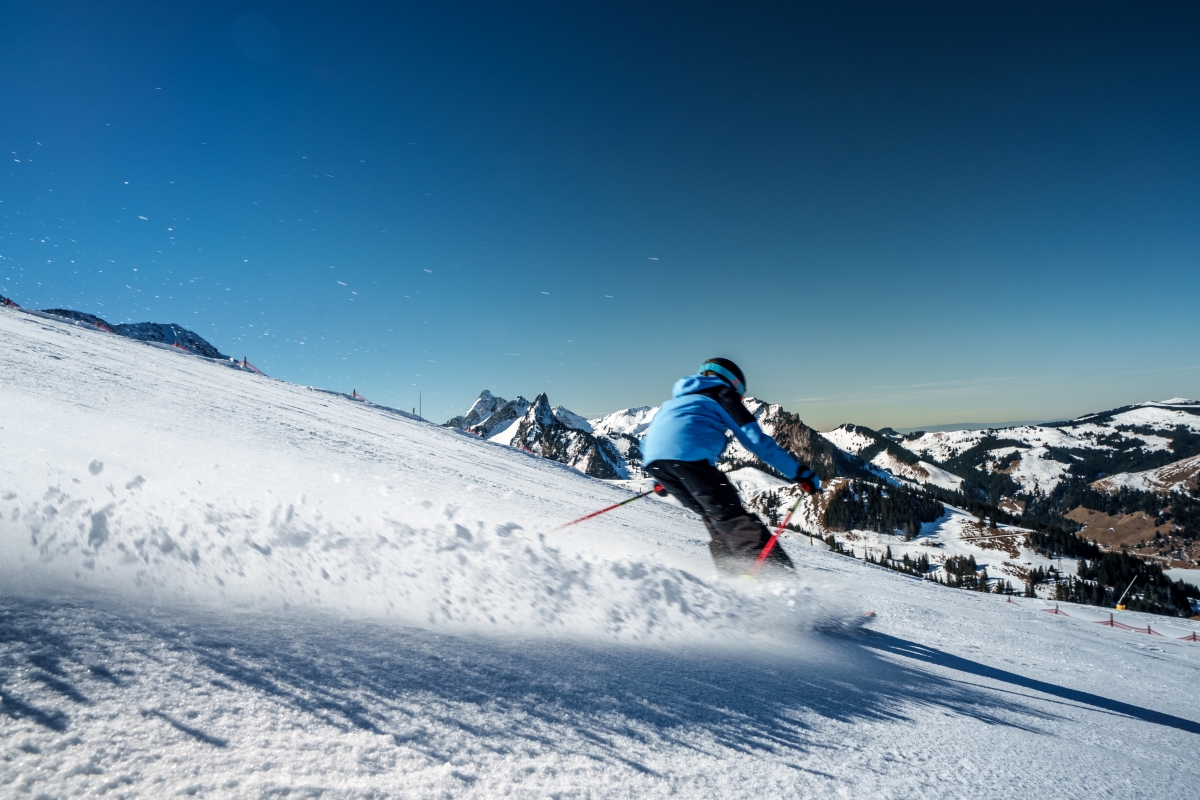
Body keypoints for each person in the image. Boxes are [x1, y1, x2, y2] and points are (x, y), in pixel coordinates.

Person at [640, 358, 820, 577]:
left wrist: (662, 479)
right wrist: (798, 473)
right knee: (735, 522)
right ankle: (785, 589)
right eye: (741, 394)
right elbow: (755, 441)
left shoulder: (673, 404)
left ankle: (732, 582)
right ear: (734, 383)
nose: (741, 399)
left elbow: (655, 442)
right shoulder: (722, 394)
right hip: (691, 462)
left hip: (657, 464)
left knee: (716, 519)